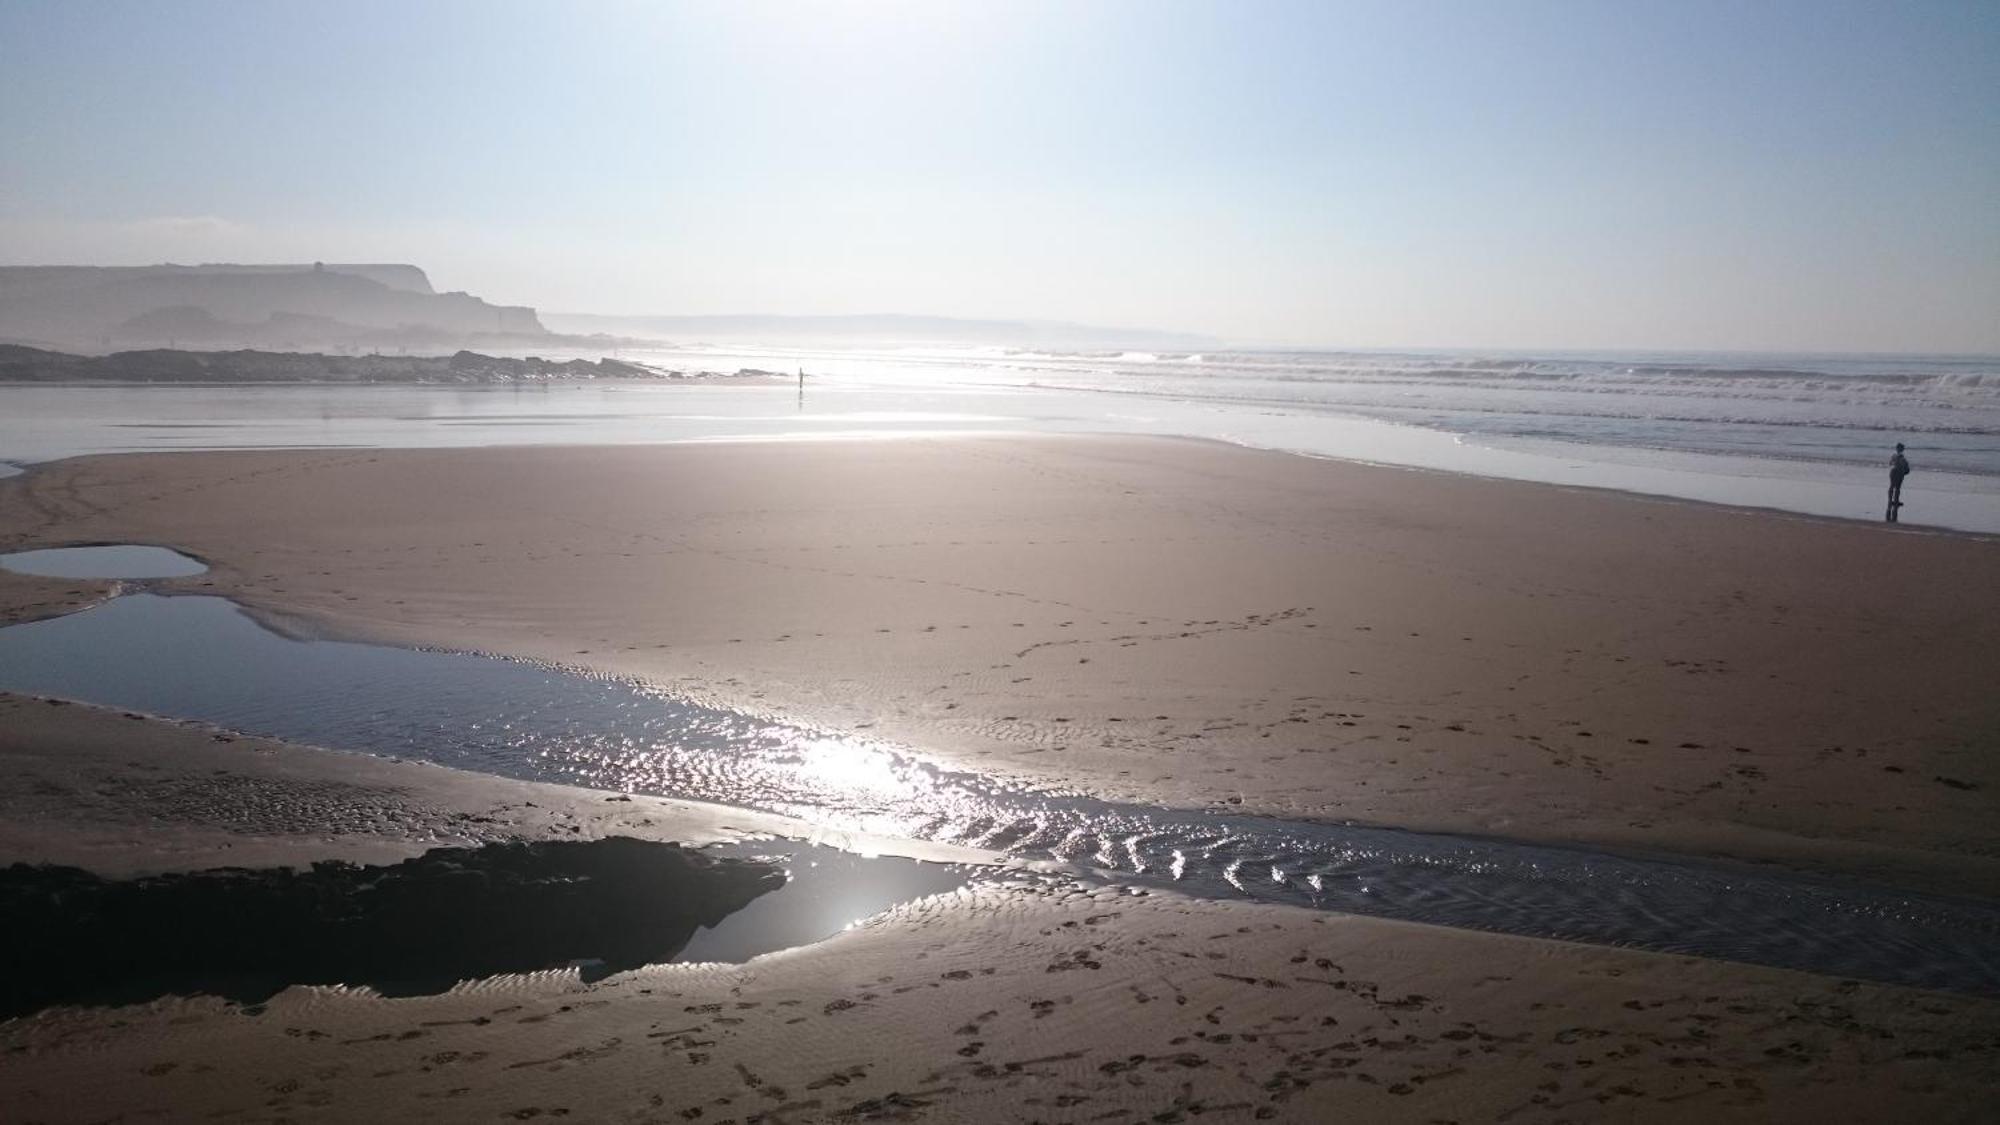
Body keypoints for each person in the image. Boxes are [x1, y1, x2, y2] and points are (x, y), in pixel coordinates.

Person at [1888, 442, 1911, 512]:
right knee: (1897, 487)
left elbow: (1890, 463)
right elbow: (1904, 465)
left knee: (1892, 486)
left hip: (1893, 471)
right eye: (1902, 448)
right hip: (1899, 472)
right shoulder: (1902, 457)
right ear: (1902, 449)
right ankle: (1895, 500)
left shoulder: (1893, 455)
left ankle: (1890, 500)